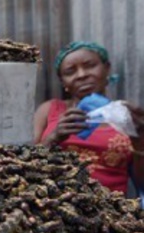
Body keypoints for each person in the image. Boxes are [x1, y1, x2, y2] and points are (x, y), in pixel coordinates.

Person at [33, 41, 144, 194]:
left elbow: (141, 183)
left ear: (107, 69)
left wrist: (140, 142)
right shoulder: (49, 110)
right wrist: (53, 138)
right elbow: (22, 163)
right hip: (53, 203)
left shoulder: (126, 116)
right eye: (70, 71)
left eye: (90, 66)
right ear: (63, 82)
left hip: (111, 209)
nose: (82, 75)